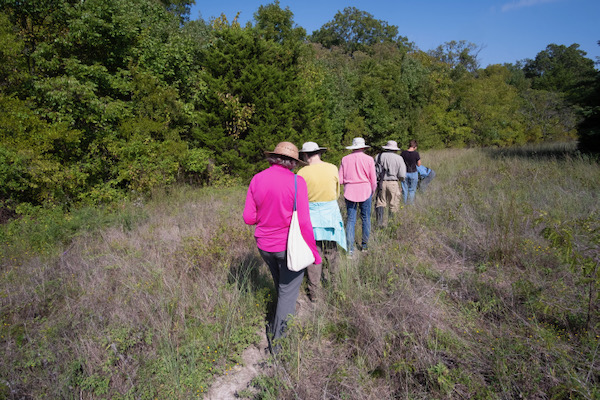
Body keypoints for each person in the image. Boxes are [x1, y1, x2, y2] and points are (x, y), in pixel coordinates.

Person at [243, 142, 322, 350]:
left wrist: (266, 215)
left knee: (281, 286)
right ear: (293, 162)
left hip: (264, 246)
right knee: (288, 292)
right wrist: (314, 252)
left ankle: (278, 317)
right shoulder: (298, 182)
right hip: (288, 247)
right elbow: (304, 222)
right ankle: (278, 346)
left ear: (273, 158)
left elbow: (248, 218)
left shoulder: (257, 179)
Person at [298, 142, 347, 302]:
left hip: (311, 218)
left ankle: (314, 293)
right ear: (319, 153)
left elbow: (300, 198)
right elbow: (337, 192)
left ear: (305, 155)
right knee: (331, 252)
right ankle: (336, 286)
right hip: (330, 216)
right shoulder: (332, 167)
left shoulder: (302, 172)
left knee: (314, 255)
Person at [339, 137, 377, 256]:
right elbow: (373, 180)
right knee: (366, 218)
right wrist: (372, 191)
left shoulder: (345, 159)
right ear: (363, 147)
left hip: (350, 190)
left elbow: (340, 179)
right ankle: (364, 245)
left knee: (351, 220)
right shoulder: (369, 159)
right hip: (365, 190)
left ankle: (350, 249)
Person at [374, 140, 406, 227]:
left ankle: (379, 223)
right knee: (393, 204)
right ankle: (391, 224)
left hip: (381, 182)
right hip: (393, 183)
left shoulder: (379, 156)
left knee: (380, 202)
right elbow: (402, 174)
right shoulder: (399, 158)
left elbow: (375, 171)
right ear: (395, 149)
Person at [400, 139, 421, 204]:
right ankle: (410, 204)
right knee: (412, 190)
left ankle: (404, 203)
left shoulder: (403, 153)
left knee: (404, 189)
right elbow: (419, 164)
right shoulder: (416, 154)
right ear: (415, 147)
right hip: (413, 172)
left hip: (404, 172)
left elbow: (400, 163)